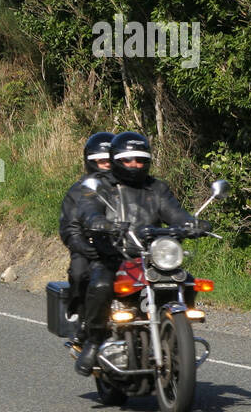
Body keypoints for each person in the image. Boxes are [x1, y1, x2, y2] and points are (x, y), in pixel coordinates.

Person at [73, 131, 212, 376]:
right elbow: (88, 210)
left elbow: (174, 213)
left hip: (151, 255)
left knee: (186, 281)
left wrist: (193, 223)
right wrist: (101, 223)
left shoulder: (156, 188)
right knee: (101, 285)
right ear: (116, 159)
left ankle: (177, 335)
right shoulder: (101, 185)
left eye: (140, 159)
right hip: (114, 256)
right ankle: (93, 342)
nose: (134, 164)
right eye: (128, 160)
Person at [59, 132, 114, 329]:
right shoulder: (78, 190)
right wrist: (81, 245)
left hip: (123, 246)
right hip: (90, 246)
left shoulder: (128, 187)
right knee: (79, 273)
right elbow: (69, 226)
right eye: (101, 161)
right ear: (91, 162)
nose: (107, 164)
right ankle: (83, 319)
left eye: (110, 160)